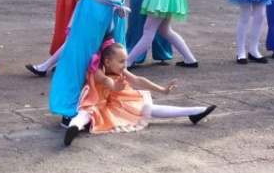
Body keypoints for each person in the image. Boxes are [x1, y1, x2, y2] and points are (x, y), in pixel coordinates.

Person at [64, 39, 217, 146]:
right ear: (108, 61)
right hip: (96, 101)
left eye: (125, 60)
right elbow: (107, 82)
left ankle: (194, 112)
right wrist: (117, 86)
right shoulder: (97, 71)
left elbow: (138, 80)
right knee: (86, 114)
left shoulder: (120, 69)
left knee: (147, 108)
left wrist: (162, 90)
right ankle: (74, 129)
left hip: (116, 101)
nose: (125, 64)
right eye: (121, 61)